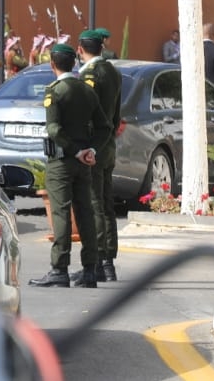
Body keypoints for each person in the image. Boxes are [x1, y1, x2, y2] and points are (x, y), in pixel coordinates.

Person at [29, 43, 112, 289]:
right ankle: (89, 269)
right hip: (84, 162)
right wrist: (91, 150)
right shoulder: (87, 91)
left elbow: (54, 129)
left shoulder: (55, 91)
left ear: (52, 64)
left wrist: (75, 151)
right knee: (85, 212)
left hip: (62, 161)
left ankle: (59, 269)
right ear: (73, 63)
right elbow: (104, 127)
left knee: (61, 213)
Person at [75, 29, 123, 284]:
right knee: (105, 204)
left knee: (93, 204)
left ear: (81, 50)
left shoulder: (89, 74)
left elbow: (86, 113)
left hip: (93, 146)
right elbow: (116, 112)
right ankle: (108, 263)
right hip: (108, 145)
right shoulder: (113, 71)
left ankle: (97, 261)